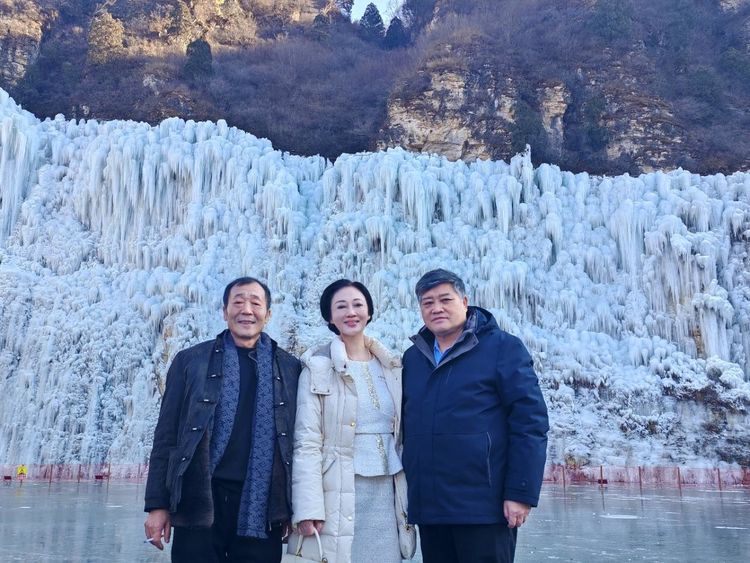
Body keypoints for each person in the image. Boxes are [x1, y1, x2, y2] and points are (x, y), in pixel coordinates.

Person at [144, 276, 301, 562]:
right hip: (198, 499)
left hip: (262, 504)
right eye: (238, 302)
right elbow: (166, 436)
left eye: (255, 303)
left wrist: (293, 507)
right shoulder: (191, 361)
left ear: (268, 313)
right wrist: (157, 505)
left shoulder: (289, 368)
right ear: (224, 311)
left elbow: (297, 443)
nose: (247, 310)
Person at [401, 269, 549, 563]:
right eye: (428, 302)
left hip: (483, 507)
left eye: (445, 299)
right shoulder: (413, 358)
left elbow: (530, 423)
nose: (436, 308)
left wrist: (520, 492)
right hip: (430, 506)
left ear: (465, 302)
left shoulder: (502, 348)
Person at [289, 279, 415, 563]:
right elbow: (307, 441)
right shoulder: (317, 368)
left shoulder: (391, 366)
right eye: (341, 306)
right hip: (337, 488)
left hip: (387, 489)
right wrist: (308, 509)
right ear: (329, 317)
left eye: (358, 304)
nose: (351, 312)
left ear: (369, 311)